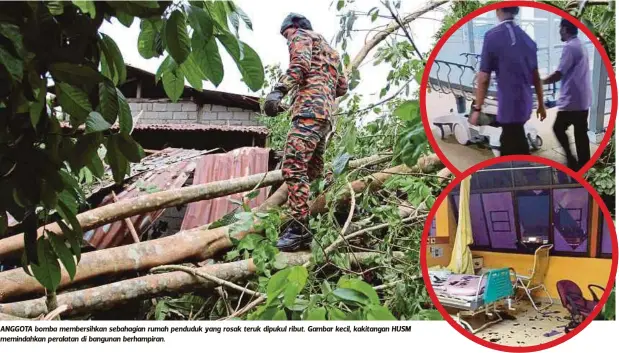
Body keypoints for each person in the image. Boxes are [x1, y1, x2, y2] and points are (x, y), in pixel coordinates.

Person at [263, 13, 348, 252]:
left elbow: (299, 65)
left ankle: (299, 228)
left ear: (294, 28)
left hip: (309, 113)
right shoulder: (331, 51)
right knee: (312, 171)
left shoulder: (301, 36)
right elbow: (342, 87)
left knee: (293, 167)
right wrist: (320, 89)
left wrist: (278, 91)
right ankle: (327, 217)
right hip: (326, 117)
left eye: (286, 35)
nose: (287, 40)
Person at [469, 6, 547, 156]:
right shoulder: (528, 40)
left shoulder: (492, 37)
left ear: (498, 10)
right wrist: (541, 105)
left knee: (512, 149)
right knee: (514, 140)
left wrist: (477, 108)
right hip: (525, 105)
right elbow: (536, 77)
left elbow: (483, 77)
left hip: (509, 107)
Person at [542, 19, 592, 171]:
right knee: (581, 134)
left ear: (564, 29)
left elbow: (559, 74)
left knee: (558, 128)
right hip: (583, 99)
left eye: (560, 28)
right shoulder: (581, 44)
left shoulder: (570, 47)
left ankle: (571, 160)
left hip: (572, 101)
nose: (559, 31)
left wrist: (540, 82)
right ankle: (584, 165)